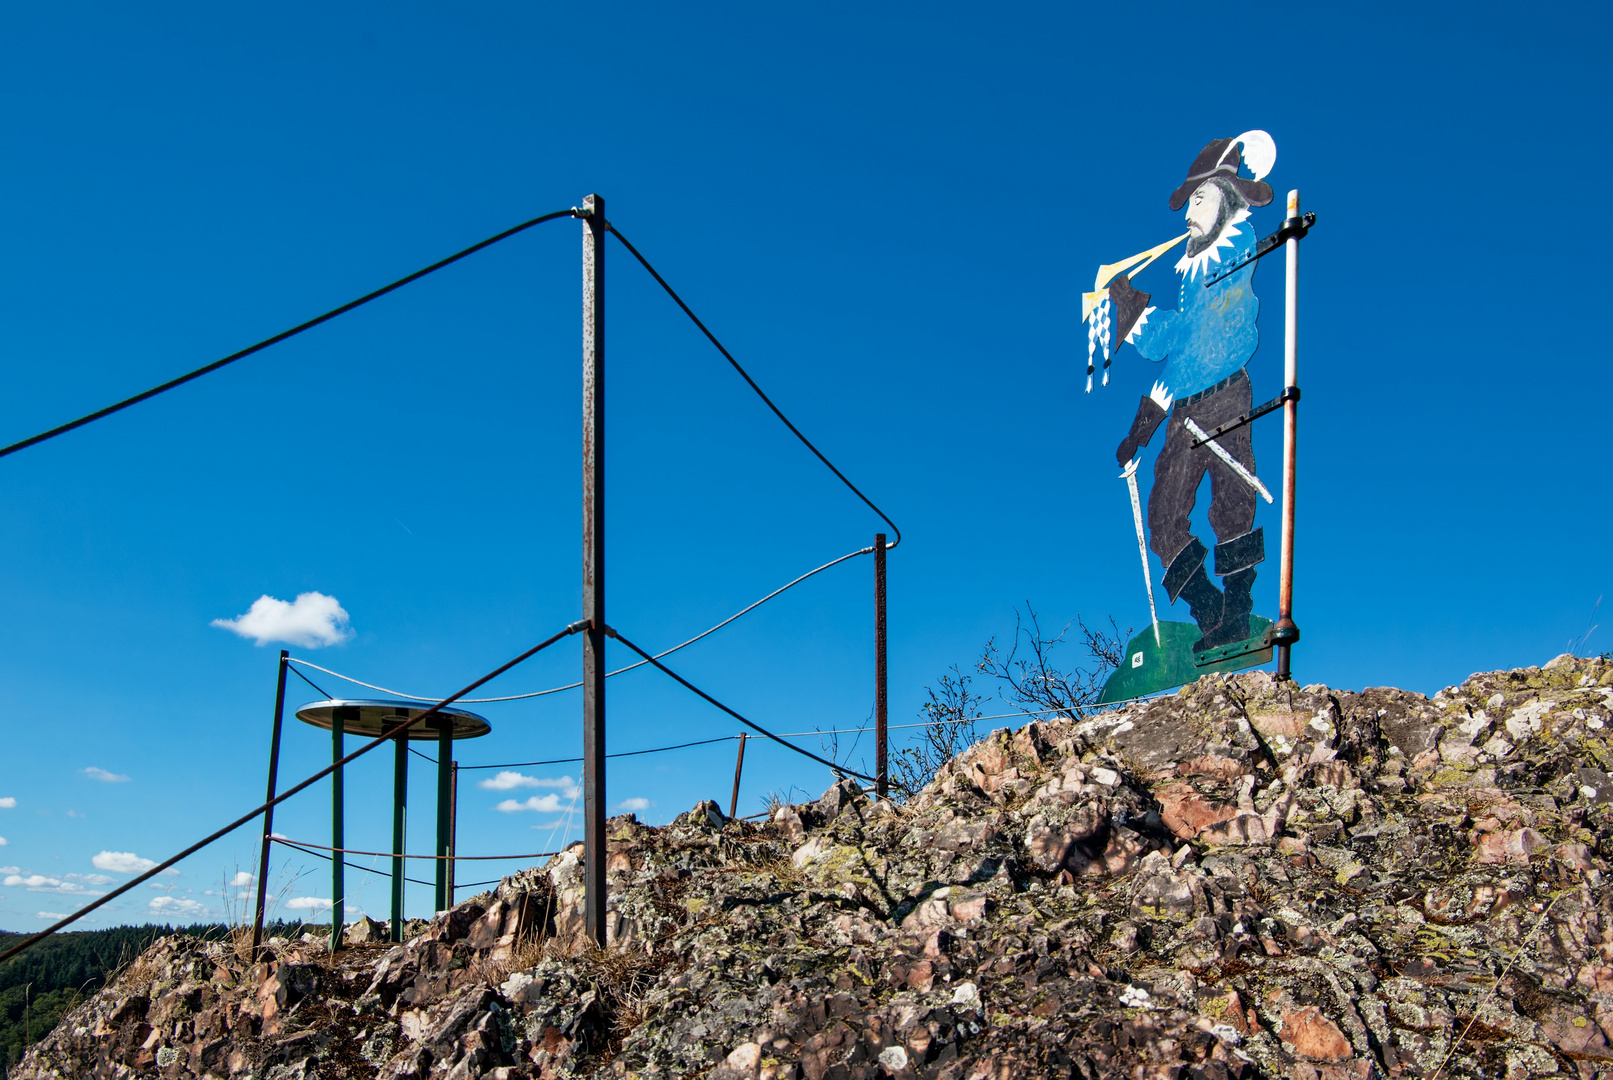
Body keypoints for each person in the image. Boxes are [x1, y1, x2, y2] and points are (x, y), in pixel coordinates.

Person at [1109, 135, 1275, 653]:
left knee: (1231, 504)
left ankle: (1237, 611)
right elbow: (1180, 355)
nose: (1188, 216)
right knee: (1163, 520)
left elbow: (1204, 339)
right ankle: (1211, 613)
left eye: (1199, 200)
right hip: (1185, 409)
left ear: (1226, 197)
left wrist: (1135, 313)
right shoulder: (1193, 276)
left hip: (1224, 397)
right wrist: (1142, 429)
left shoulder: (1233, 258)